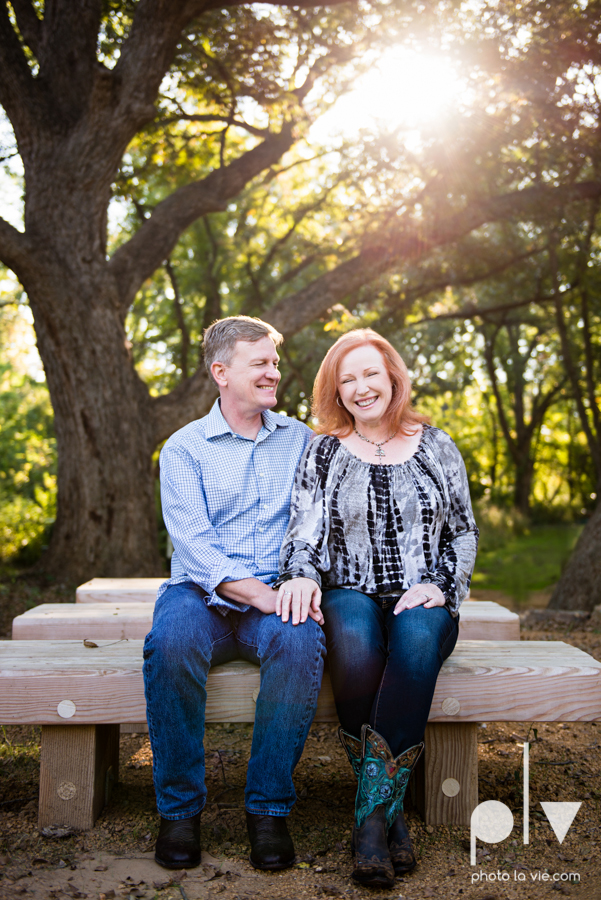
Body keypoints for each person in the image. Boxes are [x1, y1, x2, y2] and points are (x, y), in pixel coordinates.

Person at [275, 329, 478, 888]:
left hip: (424, 594)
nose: (362, 387)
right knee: (357, 648)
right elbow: (304, 534)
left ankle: (369, 823)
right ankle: (390, 820)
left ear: (393, 377)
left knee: (414, 642)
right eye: (348, 380)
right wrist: (298, 577)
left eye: (370, 374)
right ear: (335, 393)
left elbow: (463, 531)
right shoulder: (322, 451)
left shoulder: (437, 445)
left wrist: (442, 584)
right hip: (348, 591)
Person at [143, 316, 326, 872]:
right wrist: (263, 598)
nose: (274, 372)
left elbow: (316, 526)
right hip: (200, 595)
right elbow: (194, 547)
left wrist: (297, 584)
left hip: (277, 588)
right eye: (261, 364)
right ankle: (179, 811)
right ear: (222, 372)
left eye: (274, 362)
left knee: (300, 644)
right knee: (168, 644)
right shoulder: (184, 449)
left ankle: (268, 810)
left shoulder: (302, 441)